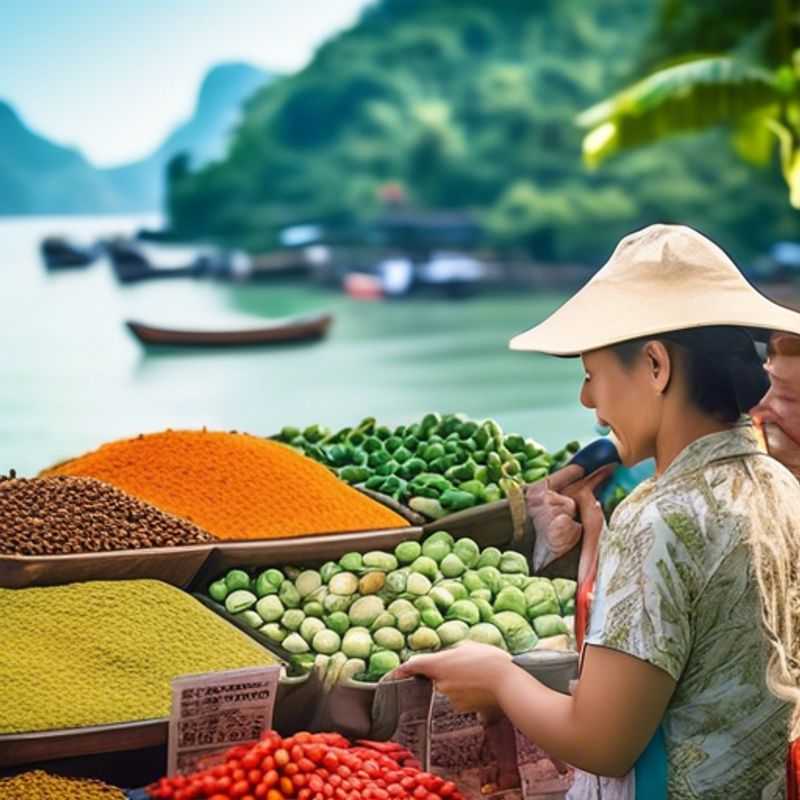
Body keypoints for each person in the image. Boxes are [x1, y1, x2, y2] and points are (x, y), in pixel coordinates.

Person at [393, 224, 800, 798]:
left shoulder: (657, 518)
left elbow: (603, 743)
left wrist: (497, 677)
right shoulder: (781, 488)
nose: (589, 400)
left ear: (656, 366)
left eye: (592, 374)